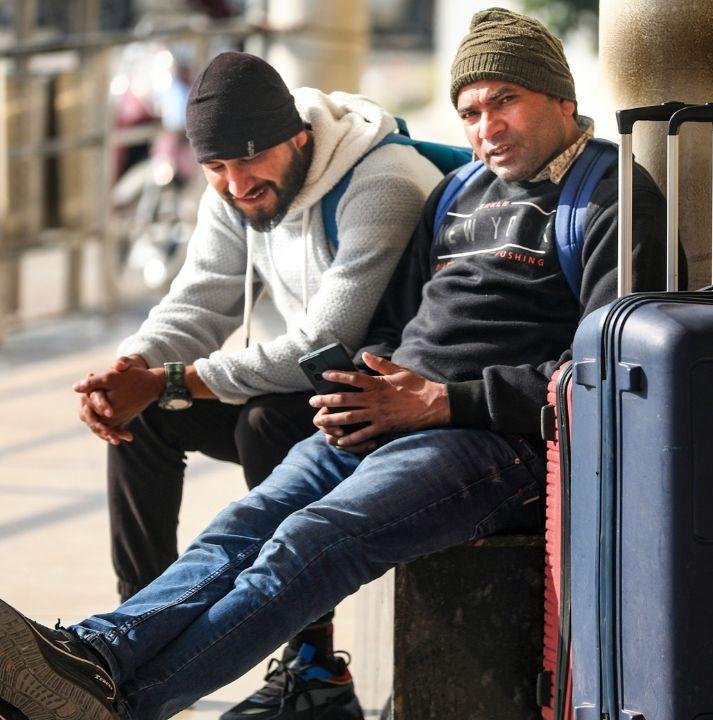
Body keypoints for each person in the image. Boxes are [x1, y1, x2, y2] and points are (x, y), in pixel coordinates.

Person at [0, 8, 666, 720]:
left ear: (563, 99)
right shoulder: (459, 192)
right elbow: (395, 323)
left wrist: (439, 401)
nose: (486, 127)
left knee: (310, 542)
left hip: (493, 442)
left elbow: (603, 376)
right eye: (470, 111)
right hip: (391, 415)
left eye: (507, 101)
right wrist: (366, 385)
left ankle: (121, 704)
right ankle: (94, 656)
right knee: (246, 522)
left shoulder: (611, 198)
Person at [70, 51, 444, 719]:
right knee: (150, 416)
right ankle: (135, 632)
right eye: (215, 168)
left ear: (298, 135)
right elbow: (201, 299)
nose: (236, 185)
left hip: (392, 407)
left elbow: (322, 347)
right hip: (311, 392)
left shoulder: (385, 181)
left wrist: (173, 378)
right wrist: (132, 369)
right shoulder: (234, 190)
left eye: (250, 161)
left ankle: (314, 667)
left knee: (266, 419)